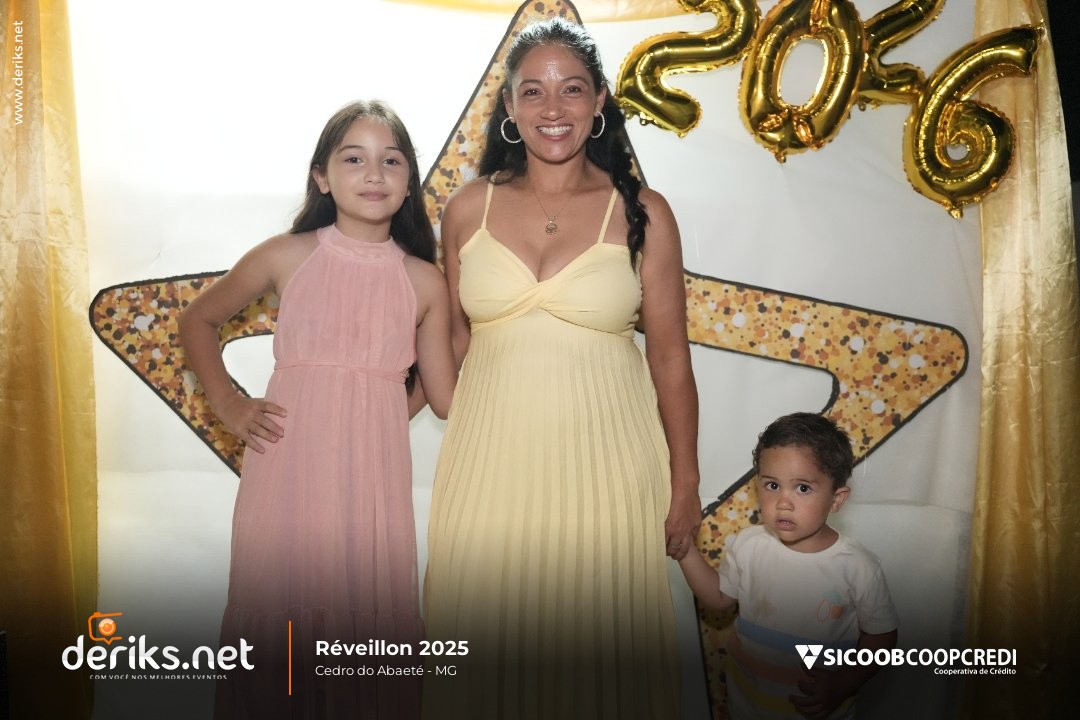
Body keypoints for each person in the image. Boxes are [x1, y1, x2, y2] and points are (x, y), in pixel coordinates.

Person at [421, 17, 701, 719]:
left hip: (609, 471)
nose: (554, 108)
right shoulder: (467, 209)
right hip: (488, 471)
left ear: (599, 100)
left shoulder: (644, 213)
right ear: (509, 106)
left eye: (572, 89)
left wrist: (686, 482)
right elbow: (452, 343)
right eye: (534, 91)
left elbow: (670, 357)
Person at [179, 100, 456, 719]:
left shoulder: (423, 281)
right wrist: (228, 402)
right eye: (353, 159)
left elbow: (443, 397)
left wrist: (490, 335)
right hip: (287, 476)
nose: (374, 174)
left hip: (372, 489)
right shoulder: (288, 255)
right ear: (321, 177)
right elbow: (198, 319)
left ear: (409, 182)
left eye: (391, 161)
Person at [679, 413, 899, 720]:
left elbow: (882, 639)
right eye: (772, 485)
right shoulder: (749, 544)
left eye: (803, 488)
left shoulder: (858, 567)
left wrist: (844, 684)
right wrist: (685, 551)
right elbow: (718, 598)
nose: (783, 503)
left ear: (836, 499)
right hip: (747, 707)